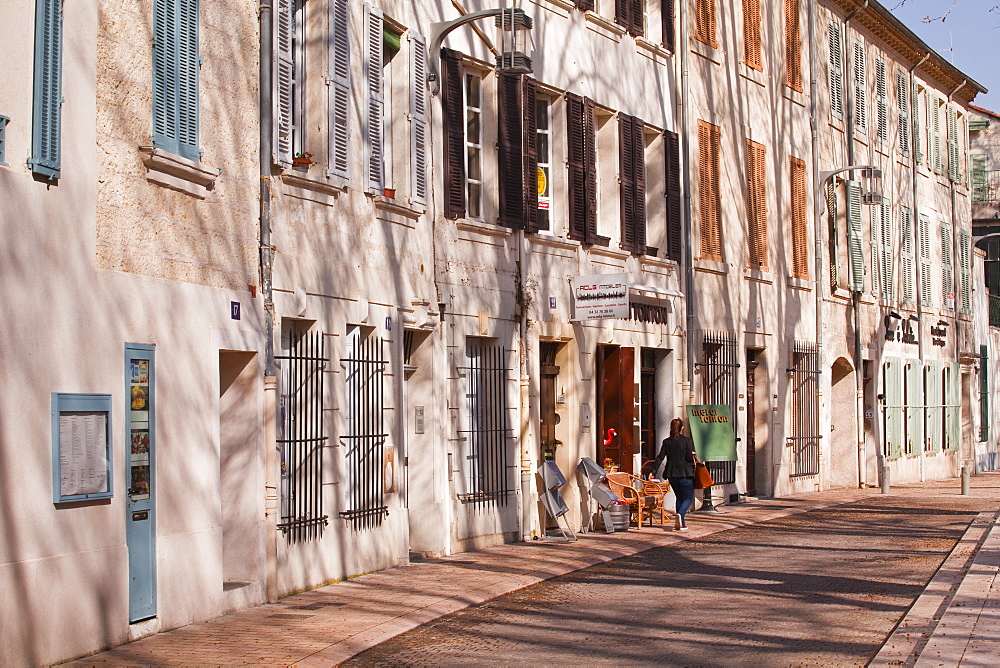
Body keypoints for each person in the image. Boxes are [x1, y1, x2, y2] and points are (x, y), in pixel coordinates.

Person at [654, 417, 696, 531]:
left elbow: (660, 457)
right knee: (688, 498)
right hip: (685, 473)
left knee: (679, 498)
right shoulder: (686, 441)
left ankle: (681, 524)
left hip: (672, 474)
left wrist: (653, 472)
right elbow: (688, 458)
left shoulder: (667, 442)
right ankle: (681, 515)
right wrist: (692, 455)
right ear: (682, 428)